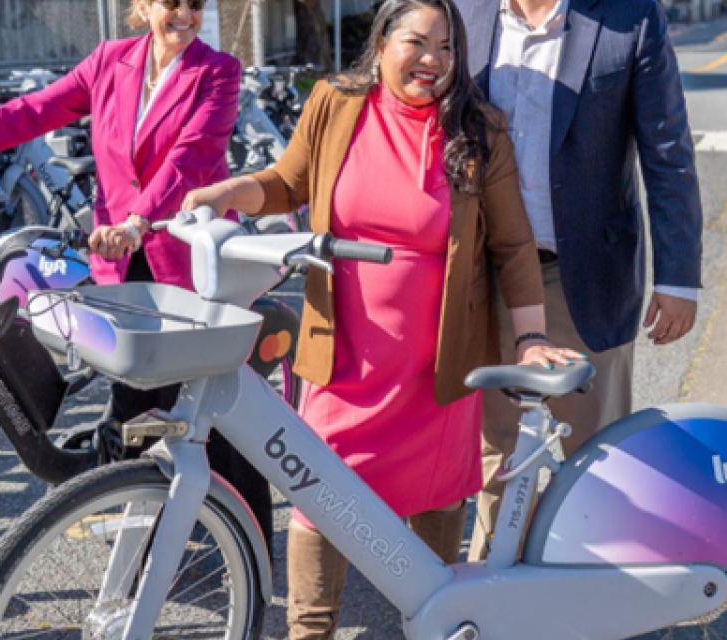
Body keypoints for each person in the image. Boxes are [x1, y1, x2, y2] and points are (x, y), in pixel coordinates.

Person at [181, 0, 583, 636]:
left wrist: (531, 337)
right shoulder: (336, 104)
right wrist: (232, 193)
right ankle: (310, 630)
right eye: (418, 42)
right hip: (343, 363)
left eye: (448, 47)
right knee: (318, 506)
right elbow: (289, 183)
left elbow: (512, 246)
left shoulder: (479, 130)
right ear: (381, 40)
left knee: (433, 543)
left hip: (436, 371)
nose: (434, 60)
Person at [0, 0, 274, 546]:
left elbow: (191, 156)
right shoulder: (110, 60)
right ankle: (145, 540)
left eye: (196, 5)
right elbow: (36, 111)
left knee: (212, 404)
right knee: (135, 400)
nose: (185, 15)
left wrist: (141, 219)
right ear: (142, 6)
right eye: (171, 4)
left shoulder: (217, 71)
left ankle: (249, 535)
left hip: (185, 258)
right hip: (121, 259)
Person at [454, 0, 704, 560]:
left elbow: (667, 149)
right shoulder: (462, 13)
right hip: (484, 274)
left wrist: (678, 277)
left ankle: (596, 592)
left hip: (584, 275)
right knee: (497, 453)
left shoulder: (630, 17)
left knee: (597, 460)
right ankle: (497, 595)